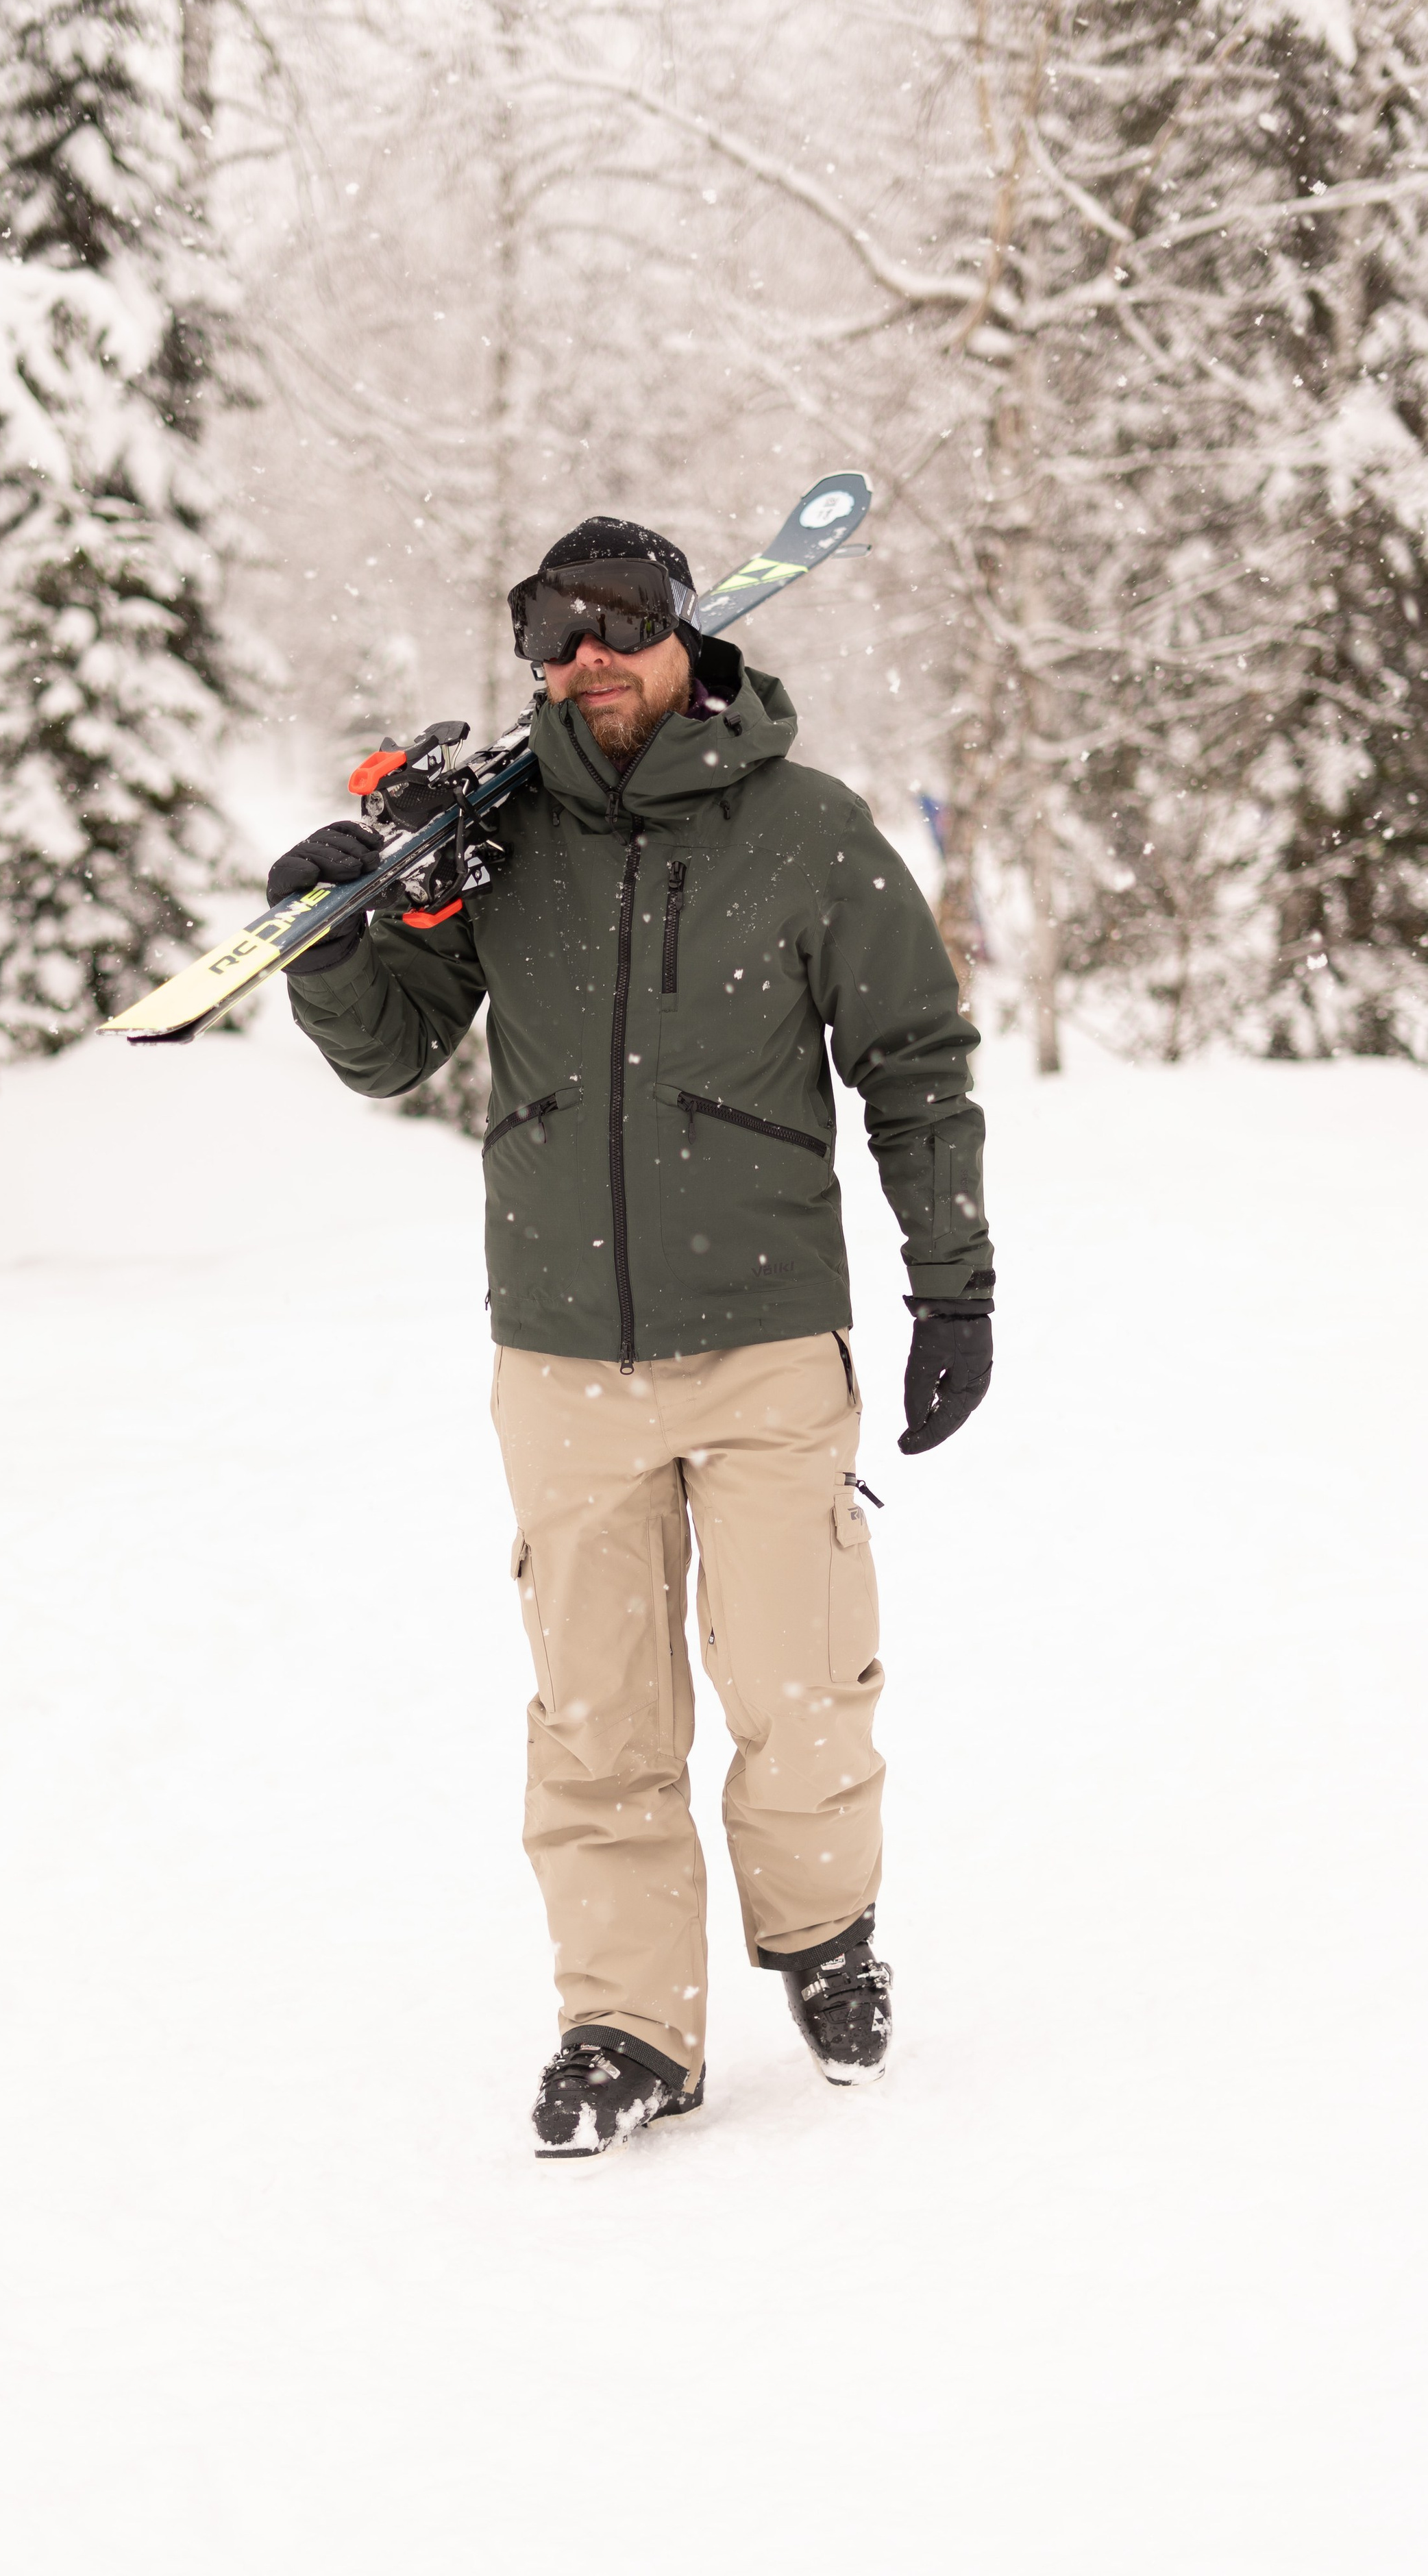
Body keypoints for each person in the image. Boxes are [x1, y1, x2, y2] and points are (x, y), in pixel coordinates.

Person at [269, 517, 994, 2157]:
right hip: (558, 1354)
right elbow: (389, 1055)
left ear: (686, 634)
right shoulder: (491, 845)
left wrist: (951, 1284)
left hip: (763, 1338)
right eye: (549, 629)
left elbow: (914, 1064)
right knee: (594, 1719)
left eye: (613, 621)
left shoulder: (806, 831)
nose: (582, 656)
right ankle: (626, 2027)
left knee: (798, 1683)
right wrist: (338, 942)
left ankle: (823, 1934)